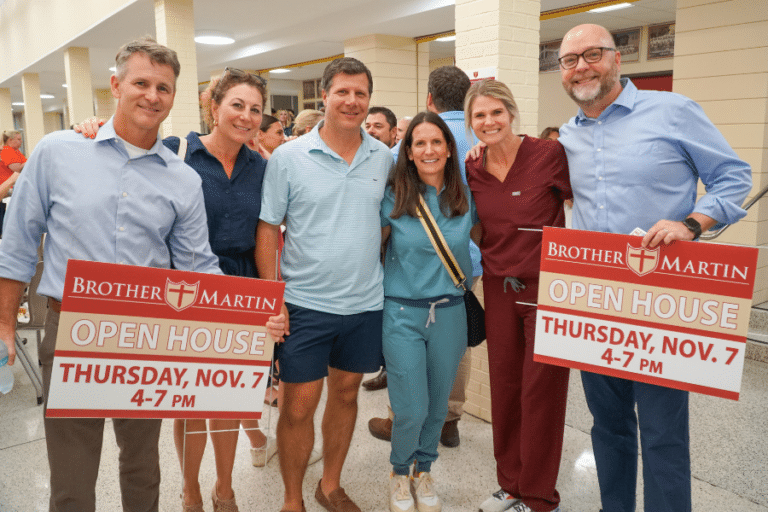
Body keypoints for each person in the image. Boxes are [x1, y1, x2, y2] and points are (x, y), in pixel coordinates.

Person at [0, 36, 223, 512]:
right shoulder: (59, 151)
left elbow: (197, 265)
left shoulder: (182, 179)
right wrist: (3, 323)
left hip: (145, 334)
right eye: (141, 82)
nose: (152, 95)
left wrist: (245, 319)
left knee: (143, 467)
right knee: (72, 477)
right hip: (71, 326)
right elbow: (17, 242)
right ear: (116, 85)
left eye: (164, 87)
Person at [557, 24, 752, 512]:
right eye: (569, 59)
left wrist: (692, 222)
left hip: (661, 298)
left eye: (592, 54)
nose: (581, 66)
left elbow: (734, 177)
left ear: (616, 59)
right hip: (593, 300)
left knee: (663, 433)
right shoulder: (567, 135)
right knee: (608, 425)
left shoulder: (673, 111)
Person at [258, 57, 392, 512]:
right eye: (343, 92)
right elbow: (267, 229)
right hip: (303, 304)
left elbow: (386, 222)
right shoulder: (289, 157)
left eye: (361, 93)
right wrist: (270, 298)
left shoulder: (384, 157)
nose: (352, 102)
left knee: (348, 393)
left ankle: (329, 485)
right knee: (297, 406)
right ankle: (292, 498)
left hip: (364, 304)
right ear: (325, 96)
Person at [465, 79, 572, 512]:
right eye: (479, 115)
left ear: (511, 114)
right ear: (471, 122)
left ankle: (540, 495)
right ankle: (510, 483)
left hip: (547, 287)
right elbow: (476, 224)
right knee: (505, 387)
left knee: (541, 390)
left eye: (496, 113)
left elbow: (579, 208)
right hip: (499, 288)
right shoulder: (473, 166)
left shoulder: (549, 155)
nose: (488, 122)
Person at [368, 65, 478, 449]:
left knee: (412, 350)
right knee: (453, 345)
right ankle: (449, 417)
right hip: (463, 264)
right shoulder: (480, 137)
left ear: (430, 98)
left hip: (412, 266)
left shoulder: (411, 143)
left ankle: (405, 417)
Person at [382, 111, 480, 512]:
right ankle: (399, 472)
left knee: (438, 405)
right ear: (407, 151)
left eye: (436, 142)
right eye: (419, 143)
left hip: (451, 311)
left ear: (448, 148)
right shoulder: (395, 195)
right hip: (402, 313)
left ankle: (424, 469)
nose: (428, 150)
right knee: (411, 407)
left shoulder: (464, 194)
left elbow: (487, 238)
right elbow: (371, 247)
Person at [0, 130, 26, 237]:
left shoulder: (16, 151)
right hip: (7, 190)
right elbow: (17, 169)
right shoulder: (6, 151)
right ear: (10, 140)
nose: (21, 142)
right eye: (18, 139)